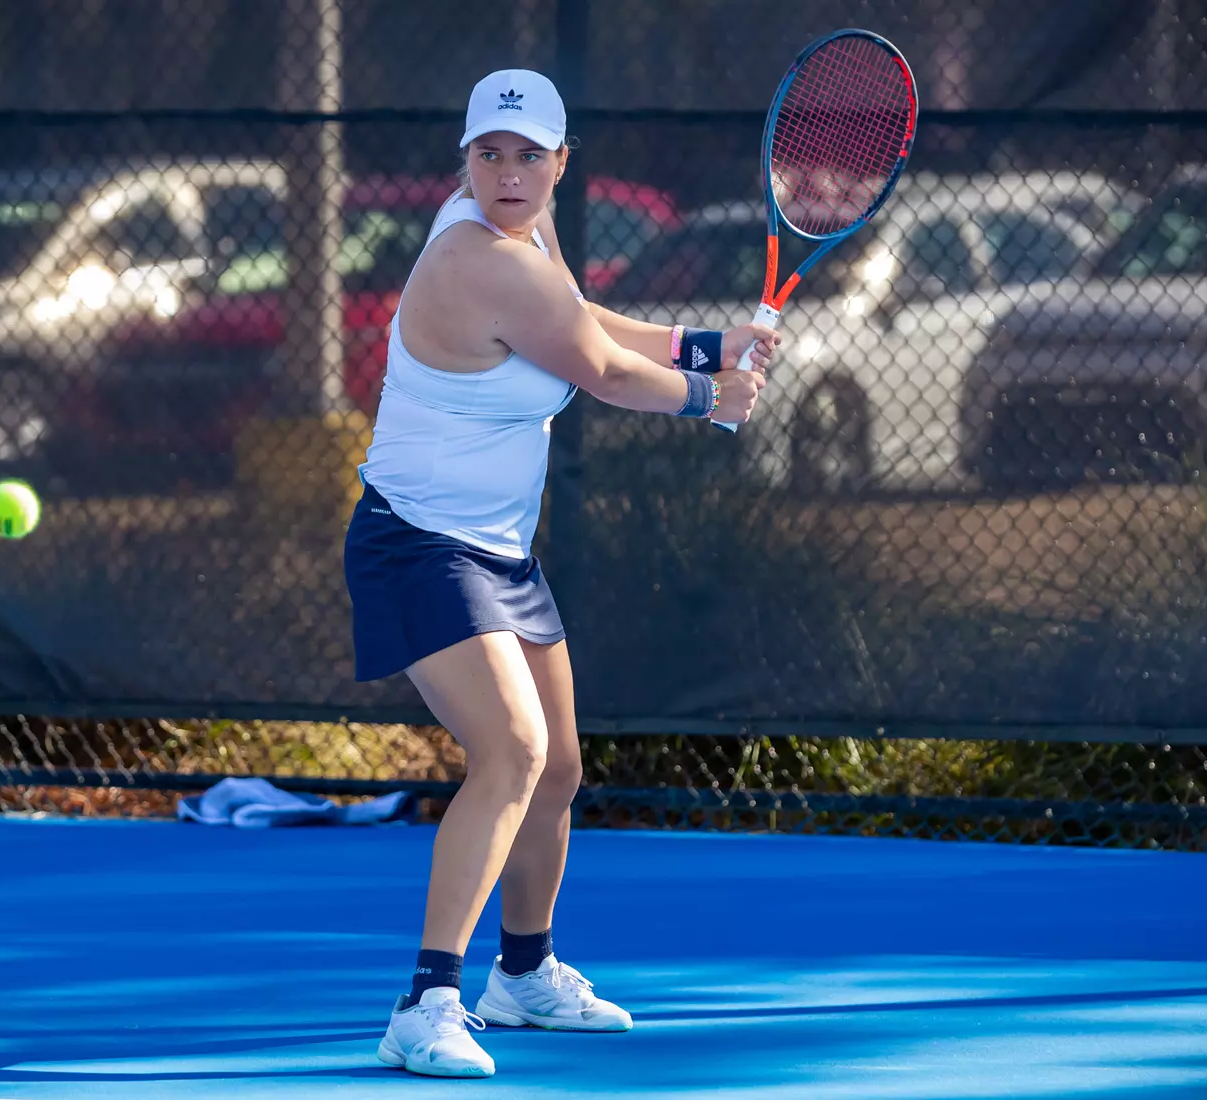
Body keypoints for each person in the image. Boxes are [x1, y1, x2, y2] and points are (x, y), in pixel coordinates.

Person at [345, 68, 780, 1079]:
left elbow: (580, 324)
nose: (507, 172)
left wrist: (707, 342)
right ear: (466, 161)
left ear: (559, 163)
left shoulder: (531, 244)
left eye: (527, 155)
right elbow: (605, 372)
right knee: (511, 750)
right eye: (489, 154)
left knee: (561, 767)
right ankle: (426, 1000)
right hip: (417, 542)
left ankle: (525, 974)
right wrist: (709, 395)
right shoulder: (475, 255)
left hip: (496, 549)